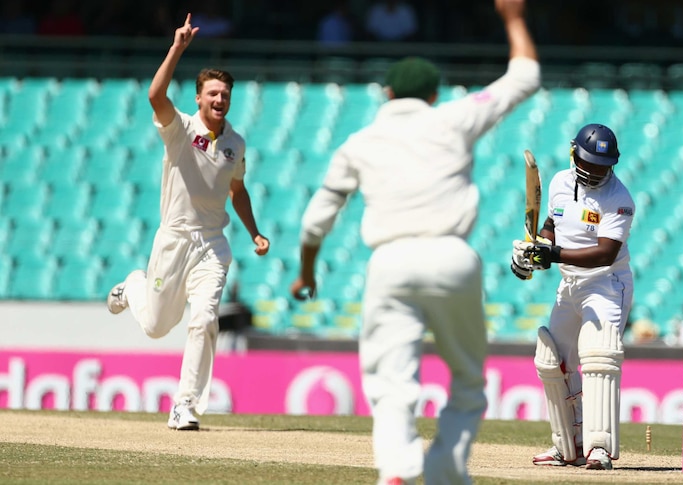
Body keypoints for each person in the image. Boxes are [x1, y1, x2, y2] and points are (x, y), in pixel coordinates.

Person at [289, 1, 539, 482]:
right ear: (434, 93)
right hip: (452, 257)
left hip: (391, 262)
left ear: (385, 93)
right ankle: (445, 468)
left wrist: (307, 268)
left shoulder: (359, 142)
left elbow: (315, 221)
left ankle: (398, 470)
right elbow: (524, 76)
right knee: (468, 379)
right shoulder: (453, 117)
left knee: (391, 384)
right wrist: (512, 19)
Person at [106, 13, 270, 431]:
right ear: (199, 98)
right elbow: (154, 95)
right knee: (158, 327)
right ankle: (134, 285)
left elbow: (237, 191)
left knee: (204, 319)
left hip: (213, 244)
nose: (220, 100)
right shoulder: (180, 128)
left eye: (225, 95)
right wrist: (178, 47)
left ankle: (185, 405)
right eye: (213, 94)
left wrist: (254, 231)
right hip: (174, 241)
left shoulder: (235, 142)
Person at [511, 123, 635, 470]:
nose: (595, 171)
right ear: (574, 154)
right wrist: (535, 253)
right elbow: (552, 224)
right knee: (554, 360)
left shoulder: (619, 199)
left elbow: (605, 254)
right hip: (569, 285)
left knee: (599, 356)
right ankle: (566, 446)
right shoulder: (559, 183)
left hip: (606, 285)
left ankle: (600, 449)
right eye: (589, 163)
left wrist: (553, 256)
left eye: (602, 165)